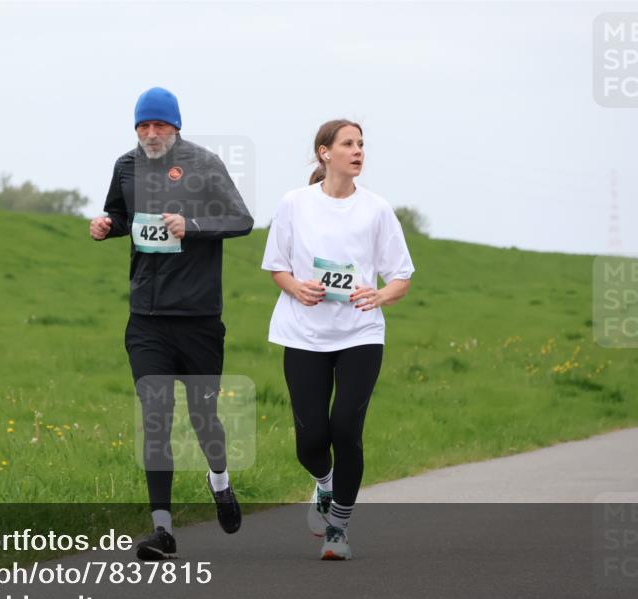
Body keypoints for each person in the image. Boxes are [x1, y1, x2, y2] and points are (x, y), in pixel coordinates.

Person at [89, 87, 254, 560]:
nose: (151, 133)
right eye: (143, 126)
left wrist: (193, 225)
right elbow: (122, 216)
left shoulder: (204, 164)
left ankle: (219, 481)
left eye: (159, 125)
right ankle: (162, 530)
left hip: (199, 318)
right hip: (146, 318)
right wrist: (107, 227)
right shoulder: (126, 166)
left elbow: (241, 219)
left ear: (176, 126)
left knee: (204, 419)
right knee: (156, 417)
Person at [260, 119, 415, 560]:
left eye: (362, 144)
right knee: (310, 441)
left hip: (360, 334)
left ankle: (338, 530)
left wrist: (378, 293)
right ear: (325, 153)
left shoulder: (377, 209)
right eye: (348, 143)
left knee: (346, 427)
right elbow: (276, 266)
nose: (358, 150)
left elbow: (401, 276)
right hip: (304, 333)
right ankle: (324, 484)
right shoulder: (294, 204)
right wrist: (296, 287)